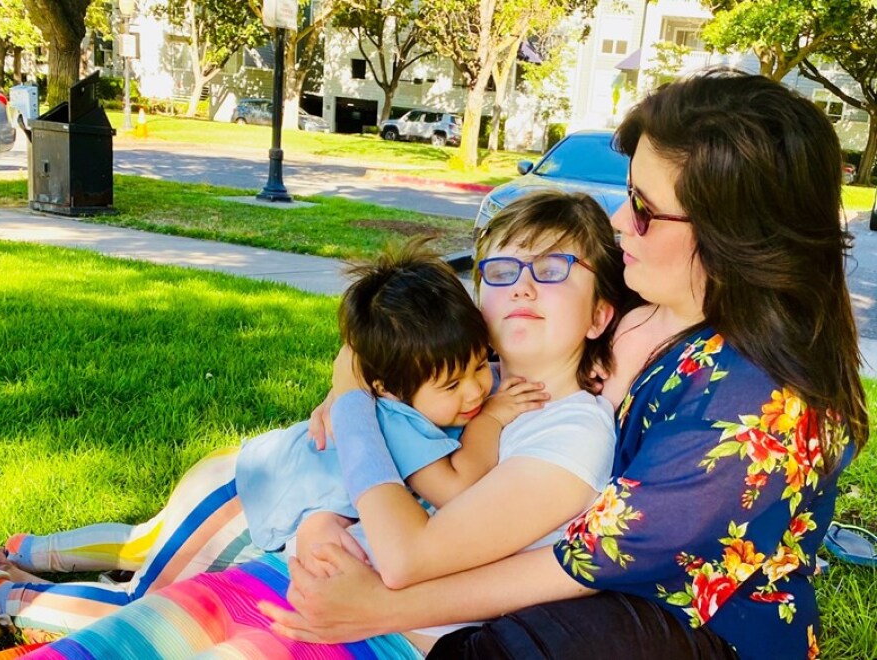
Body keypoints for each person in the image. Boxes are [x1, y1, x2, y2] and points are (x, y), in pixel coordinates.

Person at [263, 70, 870, 660]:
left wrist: (382, 607)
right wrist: (362, 378)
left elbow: (584, 562)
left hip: (687, 623)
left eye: (643, 206)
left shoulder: (760, 408)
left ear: (734, 234)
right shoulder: (641, 295)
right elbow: (452, 351)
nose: (616, 221)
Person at [21, 189, 629, 658]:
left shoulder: (573, 433)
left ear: (601, 313)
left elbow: (408, 555)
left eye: (552, 268)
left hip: (377, 632)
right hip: (290, 574)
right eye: (502, 269)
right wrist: (319, 516)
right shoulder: (473, 376)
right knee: (109, 646)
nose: (522, 284)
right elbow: (358, 377)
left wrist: (352, 403)